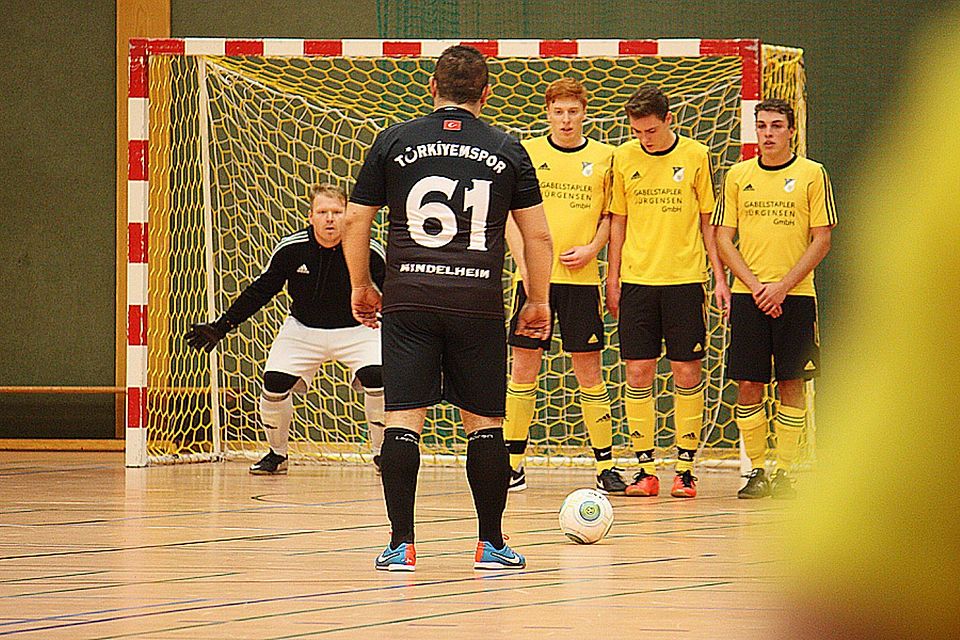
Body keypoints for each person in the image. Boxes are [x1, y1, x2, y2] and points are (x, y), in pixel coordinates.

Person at [342, 45, 553, 572]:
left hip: (409, 301)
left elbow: (354, 221)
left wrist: (363, 285)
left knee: (401, 421)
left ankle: (401, 545)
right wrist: (538, 301)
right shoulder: (508, 149)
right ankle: (490, 545)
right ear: (486, 93)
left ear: (431, 89)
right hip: (476, 305)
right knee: (485, 424)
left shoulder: (393, 141)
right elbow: (539, 236)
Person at [185, 183, 387, 475]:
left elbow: (393, 294)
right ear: (310, 216)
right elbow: (261, 290)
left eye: (336, 212)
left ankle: (383, 456)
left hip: (359, 328)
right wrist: (222, 326)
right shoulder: (291, 249)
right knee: (274, 382)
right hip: (303, 328)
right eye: (322, 212)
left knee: (377, 377)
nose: (330, 218)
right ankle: (277, 455)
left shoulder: (369, 249)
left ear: (347, 215)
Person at [502, 77, 625, 494]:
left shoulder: (606, 157)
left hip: (582, 282)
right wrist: (527, 265)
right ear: (548, 112)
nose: (566, 119)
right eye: (559, 111)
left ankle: (605, 466)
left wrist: (593, 248)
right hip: (533, 283)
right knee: (522, 369)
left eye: (573, 111)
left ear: (584, 112)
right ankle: (512, 464)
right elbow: (508, 217)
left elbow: (612, 215)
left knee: (589, 372)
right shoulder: (528, 153)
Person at [606, 84, 729, 499]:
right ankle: (645, 469)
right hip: (639, 281)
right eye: (639, 132)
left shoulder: (696, 155)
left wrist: (719, 278)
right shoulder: (623, 158)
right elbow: (617, 222)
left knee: (686, 372)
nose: (646, 139)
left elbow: (708, 222)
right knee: (638, 372)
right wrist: (613, 276)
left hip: (684, 280)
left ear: (669, 120)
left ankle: (685, 469)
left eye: (652, 131)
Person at [712, 98, 837, 499]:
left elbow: (822, 238)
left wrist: (782, 285)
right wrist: (754, 285)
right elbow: (722, 238)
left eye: (776, 126)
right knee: (748, 382)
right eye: (762, 126)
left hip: (795, 295)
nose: (768, 133)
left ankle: (785, 471)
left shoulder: (812, 175)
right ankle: (758, 471)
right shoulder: (737, 176)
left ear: (791, 131)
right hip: (748, 296)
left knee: (791, 381)